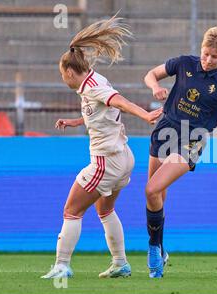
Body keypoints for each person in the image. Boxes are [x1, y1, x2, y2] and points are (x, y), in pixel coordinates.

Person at [41, 15, 163, 279]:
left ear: (70, 72)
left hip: (105, 162)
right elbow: (101, 111)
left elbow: (117, 101)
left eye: (63, 76)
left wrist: (145, 115)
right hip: (123, 158)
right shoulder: (94, 81)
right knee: (105, 209)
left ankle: (62, 265)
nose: (64, 80)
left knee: (71, 210)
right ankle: (120, 263)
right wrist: (76, 121)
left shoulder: (94, 87)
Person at [143, 25, 217, 278]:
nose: (208, 59)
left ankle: (154, 247)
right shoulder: (183, 63)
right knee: (155, 196)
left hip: (192, 139)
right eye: (205, 53)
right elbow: (150, 74)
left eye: (214, 56)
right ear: (201, 48)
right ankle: (161, 247)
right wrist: (155, 88)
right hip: (165, 129)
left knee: (151, 189)